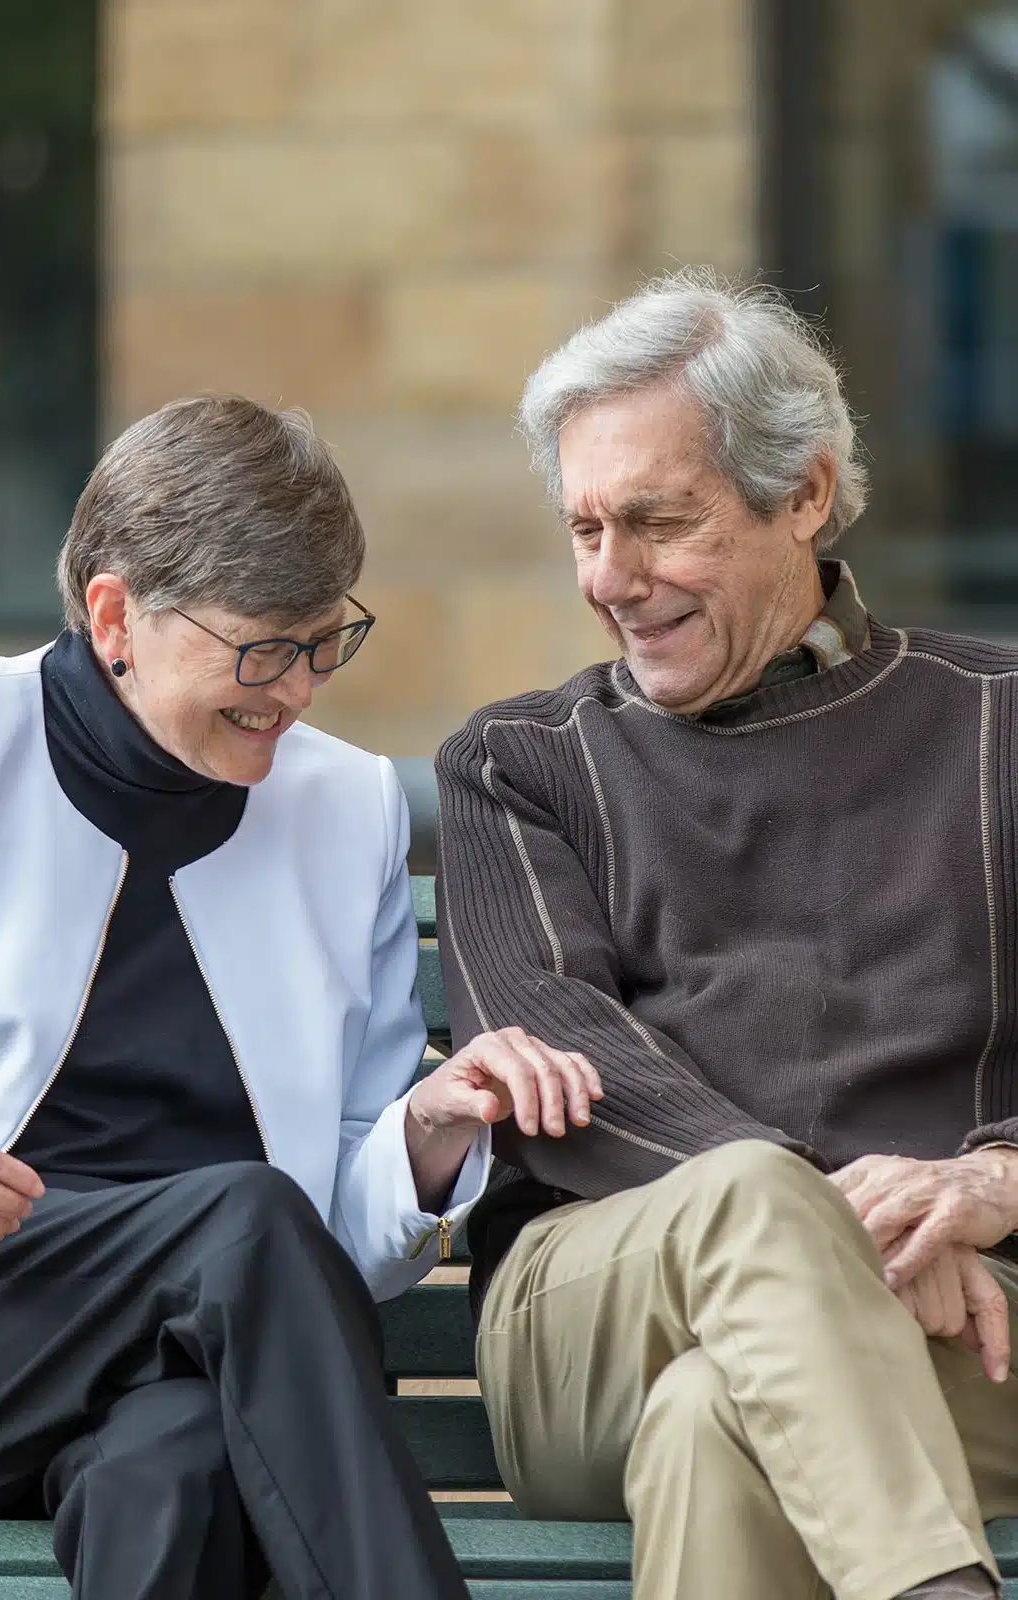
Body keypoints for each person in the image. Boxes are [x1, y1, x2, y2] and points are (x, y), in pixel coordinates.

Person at [0, 395, 600, 1600]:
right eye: (258, 648)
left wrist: (432, 1126)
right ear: (116, 613)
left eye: (324, 641)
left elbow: (342, 1223)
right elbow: (269, 1231)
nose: (295, 690)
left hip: (198, 1360)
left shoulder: (346, 810)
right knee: (239, 1218)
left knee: (177, 1471)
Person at [435, 270, 1018, 1600]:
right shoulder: (522, 765)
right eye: (584, 529)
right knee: (754, 1208)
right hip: (595, 1315)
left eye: (656, 523)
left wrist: (992, 1188)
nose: (611, 578)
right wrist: (828, 1232)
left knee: (718, 1422)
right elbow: (565, 1066)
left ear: (803, 494)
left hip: (965, 1316)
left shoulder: (1003, 726)